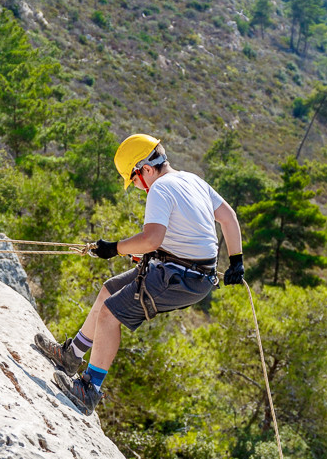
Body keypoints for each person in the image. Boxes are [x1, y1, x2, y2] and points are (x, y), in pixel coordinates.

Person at [36, 134, 245, 414]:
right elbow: (228, 217)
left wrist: (114, 248)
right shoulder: (193, 180)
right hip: (188, 272)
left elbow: (152, 239)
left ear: (145, 169)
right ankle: (71, 356)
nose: (137, 186)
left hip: (180, 276)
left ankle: (89, 390)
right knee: (109, 290)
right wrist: (237, 261)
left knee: (111, 314)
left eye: (134, 179)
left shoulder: (160, 189)